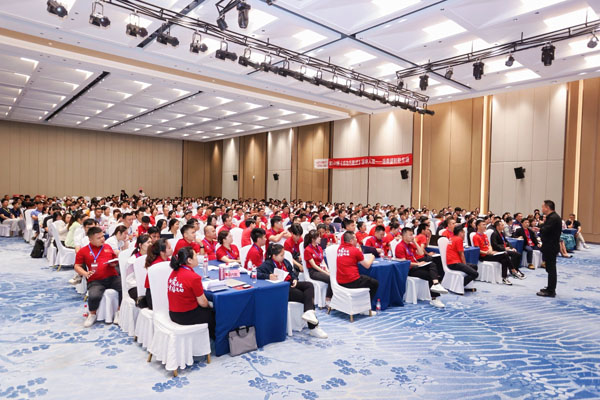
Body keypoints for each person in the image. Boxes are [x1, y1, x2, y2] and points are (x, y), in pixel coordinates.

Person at [257, 244, 327, 339]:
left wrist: (295, 279)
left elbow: (292, 273)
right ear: (274, 256)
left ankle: (309, 313)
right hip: (283, 289)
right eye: (281, 255)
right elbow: (255, 273)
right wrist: (268, 276)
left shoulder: (285, 262)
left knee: (309, 285)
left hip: (291, 284)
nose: (283, 257)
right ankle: (313, 327)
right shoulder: (267, 264)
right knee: (306, 297)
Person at [74, 227, 122, 327]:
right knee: (94, 295)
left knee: (124, 288)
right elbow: (77, 266)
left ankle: (119, 311)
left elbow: (114, 259)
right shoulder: (83, 251)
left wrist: (114, 263)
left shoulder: (107, 246)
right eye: (99, 238)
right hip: (95, 280)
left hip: (112, 277)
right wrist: (85, 273)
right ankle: (92, 314)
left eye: (103, 236)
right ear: (90, 239)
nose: (102, 239)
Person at [167, 247, 215, 337]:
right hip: (186, 316)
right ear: (189, 260)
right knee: (214, 313)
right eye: (196, 256)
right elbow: (203, 303)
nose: (197, 258)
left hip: (173, 313)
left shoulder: (174, 271)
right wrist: (211, 306)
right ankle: (215, 342)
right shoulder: (194, 277)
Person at [395, 227, 448, 307]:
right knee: (431, 274)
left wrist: (415, 242)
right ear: (404, 236)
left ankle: (436, 284)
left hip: (416, 266)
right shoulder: (400, 246)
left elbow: (420, 253)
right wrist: (417, 264)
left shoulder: (410, 245)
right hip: (409, 270)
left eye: (412, 234)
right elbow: (404, 263)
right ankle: (434, 298)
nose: (412, 236)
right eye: (410, 235)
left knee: (432, 264)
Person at [336, 231, 379, 314]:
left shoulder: (339, 248)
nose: (357, 240)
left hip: (340, 281)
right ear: (351, 241)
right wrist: (372, 257)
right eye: (355, 238)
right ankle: (366, 309)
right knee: (375, 283)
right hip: (352, 281)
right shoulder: (355, 250)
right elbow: (367, 265)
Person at [472, 220, 515, 285]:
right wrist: (487, 252)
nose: (485, 226)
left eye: (485, 224)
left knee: (504, 260)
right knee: (505, 254)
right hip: (483, 256)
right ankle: (513, 270)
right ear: (478, 226)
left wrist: (491, 250)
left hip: (490, 253)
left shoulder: (484, 235)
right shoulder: (476, 236)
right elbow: (477, 250)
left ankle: (504, 277)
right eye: (483, 225)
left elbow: (489, 245)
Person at [538, 200, 562, 297]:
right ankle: (549, 287)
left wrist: (540, 227)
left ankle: (551, 291)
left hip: (551, 246)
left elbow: (545, 229)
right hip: (550, 245)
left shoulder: (553, 218)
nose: (542, 209)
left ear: (547, 207)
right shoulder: (552, 217)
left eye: (543, 207)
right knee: (549, 268)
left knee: (551, 269)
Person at [142, 239, 173, 309]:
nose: (172, 249)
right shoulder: (157, 265)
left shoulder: (168, 260)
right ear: (162, 252)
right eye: (169, 248)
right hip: (154, 296)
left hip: (162, 292)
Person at [445, 225, 478, 290]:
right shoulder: (458, 239)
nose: (464, 234)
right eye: (463, 232)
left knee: (474, 266)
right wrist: (465, 265)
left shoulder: (452, 238)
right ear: (460, 232)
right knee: (475, 274)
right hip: (454, 263)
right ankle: (459, 285)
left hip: (452, 262)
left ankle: (465, 284)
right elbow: (461, 254)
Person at [303, 230, 333, 302]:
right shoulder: (307, 250)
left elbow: (322, 261)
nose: (320, 238)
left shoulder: (319, 248)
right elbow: (313, 265)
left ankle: (333, 297)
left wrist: (327, 270)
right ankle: (328, 298)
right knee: (330, 278)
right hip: (313, 272)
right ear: (313, 239)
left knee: (334, 275)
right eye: (318, 237)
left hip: (321, 268)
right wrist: (325, 273)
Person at [126, 234, 151, 301]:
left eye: (151, 242)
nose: (150, 244)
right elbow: (130, 280)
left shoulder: (152, 257)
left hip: (148, 285)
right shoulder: (132, 260)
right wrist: (140, 286)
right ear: (140, 245)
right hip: (135, 287)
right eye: (148, 242)